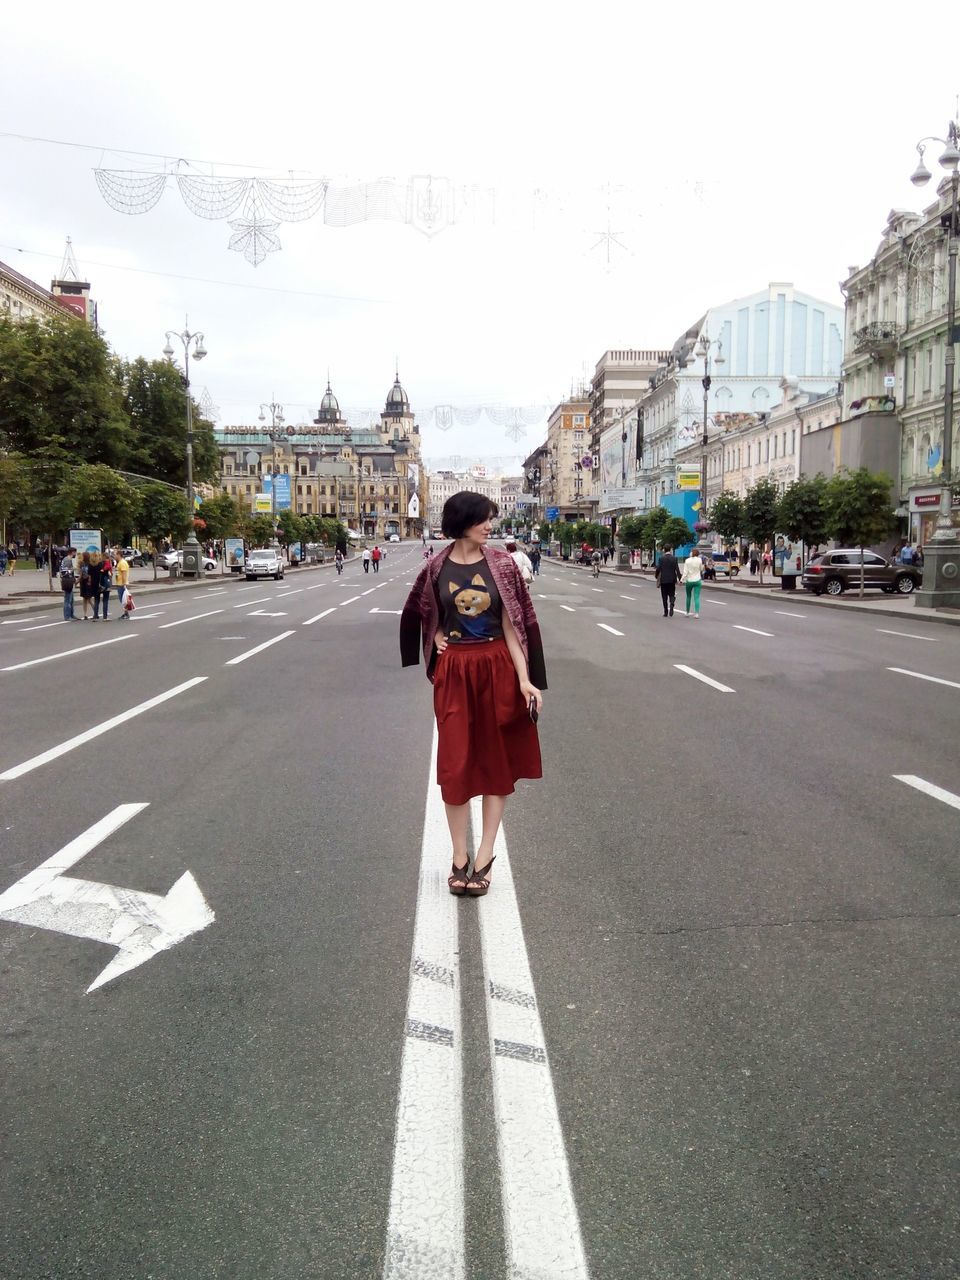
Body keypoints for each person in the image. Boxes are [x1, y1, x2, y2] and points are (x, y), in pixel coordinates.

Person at [400, 491, 545, 898]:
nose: (490, 526)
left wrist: (525, 680)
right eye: (484, 519)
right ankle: (458, 855)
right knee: (455, 763)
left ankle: (484, 856)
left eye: (491, 519)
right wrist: (438, 634)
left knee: (496, 760)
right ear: (463, 520)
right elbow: (425, 612)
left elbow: (514, 625)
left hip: (497, 666)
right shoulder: (436, 567)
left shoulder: (502, 564)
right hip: (456, 672)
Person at [655, 544, 680, 617]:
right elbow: (677, 569)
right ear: (670, 550)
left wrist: (656, 576)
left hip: (664, 579)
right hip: (672, 579)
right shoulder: (674, 558)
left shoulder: (661, 558)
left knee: (664, 596)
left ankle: (666, 612)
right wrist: (680, 579)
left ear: (664, 550)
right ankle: (671, 604)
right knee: (672, 593)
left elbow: (658, 568)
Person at [681, 546, 703, 617]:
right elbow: (701, 569)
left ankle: (687, 612)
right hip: (697, 580)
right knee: (696, 597)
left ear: (691, 553)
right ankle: (696, 613)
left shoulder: (687, 560)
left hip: (689, 581)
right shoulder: (699, 560)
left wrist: (681, 580)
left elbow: (685, 572)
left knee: (688, 596)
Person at [59, 549, 77, 620]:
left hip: (68, 581)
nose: (75, 554)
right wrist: (73, 569)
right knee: (67, 599)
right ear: (72, 552)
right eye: (75, 552)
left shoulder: (67, 559)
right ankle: (67, 616)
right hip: (67, 581)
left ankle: (71, 614)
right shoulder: (67, 560)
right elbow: (64, 571)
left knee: (71, 599)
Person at [78, 551, 95, 619]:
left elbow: (91, 574)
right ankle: (85, 614)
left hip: (88, 582)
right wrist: (77, 581)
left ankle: (95, 612)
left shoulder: (90, 564)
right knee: (84, 599)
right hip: (83, 582)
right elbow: (81, 573)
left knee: (89, 599)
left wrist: (90, 581)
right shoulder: (82, 564)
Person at [98, 553, 113, 619]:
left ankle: (96, 615)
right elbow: (110, 572)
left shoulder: (99, 563)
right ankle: (105, 616)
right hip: (106, 583)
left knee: (97, 599)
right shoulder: (108, 563)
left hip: (100, 583)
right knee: (105, 600)